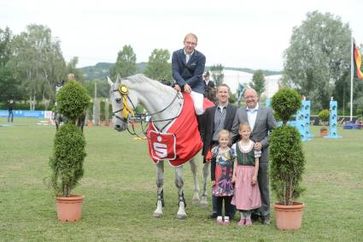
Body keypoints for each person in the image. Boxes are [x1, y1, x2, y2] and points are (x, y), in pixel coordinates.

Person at [231, 88, 276, 225]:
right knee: (246, 185)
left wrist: (262, 144)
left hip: (261, 154)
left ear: (257, 97)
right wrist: (225, 146)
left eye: (252, 96)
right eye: (247, 97)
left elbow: (274, 131)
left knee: (262, 184)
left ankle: (265, 214)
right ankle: (252, 212)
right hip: (243, 156)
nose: (250, 99)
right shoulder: (239, 112)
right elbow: (234, 131)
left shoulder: (267, 111)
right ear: (244, 98)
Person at [201, 83, 237, 219]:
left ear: (229, 94)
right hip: (214, 147)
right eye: (220, 92)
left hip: (228, 147)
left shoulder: (234, 110)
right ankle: (216, 210)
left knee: (229, 179)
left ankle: (230, 212)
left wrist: (227, 143)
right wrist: (207, 148)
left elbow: (235, 129)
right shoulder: (209, 111)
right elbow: (204, 130)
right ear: (217, 94)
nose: (223, 94)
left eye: (225, 92)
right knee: (215, 179)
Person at [231, 123, 261, 226]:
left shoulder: (254, 145)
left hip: (250, 172)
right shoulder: (236, 146)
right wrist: (234, 175)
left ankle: (248, 217)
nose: (246, 133)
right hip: (240, 172)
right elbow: (235, 161)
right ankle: (242, 217)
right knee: (240, 194)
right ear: (240, 132)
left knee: (249, 195)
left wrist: (255, 175)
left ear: (250, 131)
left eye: (248, 131)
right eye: (244, 131)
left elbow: (257, 161)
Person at [172, 33, 206, 116]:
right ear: (184, 42)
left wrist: (184, 85)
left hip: (195, 86)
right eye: (188, 42)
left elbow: (197, 75)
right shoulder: (176, 54)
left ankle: (201, 128)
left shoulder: (201, 57)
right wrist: (182, 84)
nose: (190, 45)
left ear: (196, 45)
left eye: (193, 43)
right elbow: (175, 72)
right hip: (179, 84)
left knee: (198, 108)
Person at [210, 129, 235, 225]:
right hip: (218, 177)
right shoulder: (215, 150)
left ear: (228, 140)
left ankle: (227, 216)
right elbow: (212, 165)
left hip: (228, 177)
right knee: (219, 197)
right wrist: (213, 178)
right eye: (222, 139)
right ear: (219, 140)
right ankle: (219, 215)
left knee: (228, 198)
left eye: (226, 139)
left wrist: (233, 176)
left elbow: (233, 165)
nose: (224, 141)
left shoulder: (231, 151)